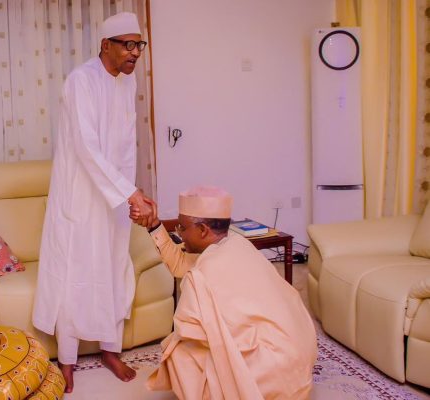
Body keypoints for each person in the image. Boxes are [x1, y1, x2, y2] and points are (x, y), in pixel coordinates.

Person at [32, 12, 155, 393]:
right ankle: (67, 359)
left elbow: (124, 148)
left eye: (139, 45)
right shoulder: (79, 81)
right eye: (127, 44)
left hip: (113, 198)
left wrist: (127, 191)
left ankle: (110, 349)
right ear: (106, 45)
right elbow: (87, 147)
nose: (135, 52)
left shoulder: (127, 81)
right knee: (76, 273)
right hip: (79, 196)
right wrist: (129, 191)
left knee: (113, 267)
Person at [130, 186, 317, 399]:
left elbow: (188, 332)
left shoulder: (201, 276)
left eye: (182, 227)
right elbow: (180, 262)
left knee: (178, 353)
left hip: (270, 374)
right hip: (298, 360)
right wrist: (154, 226)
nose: (179, 233)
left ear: (202, 230)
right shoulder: (238, 244)